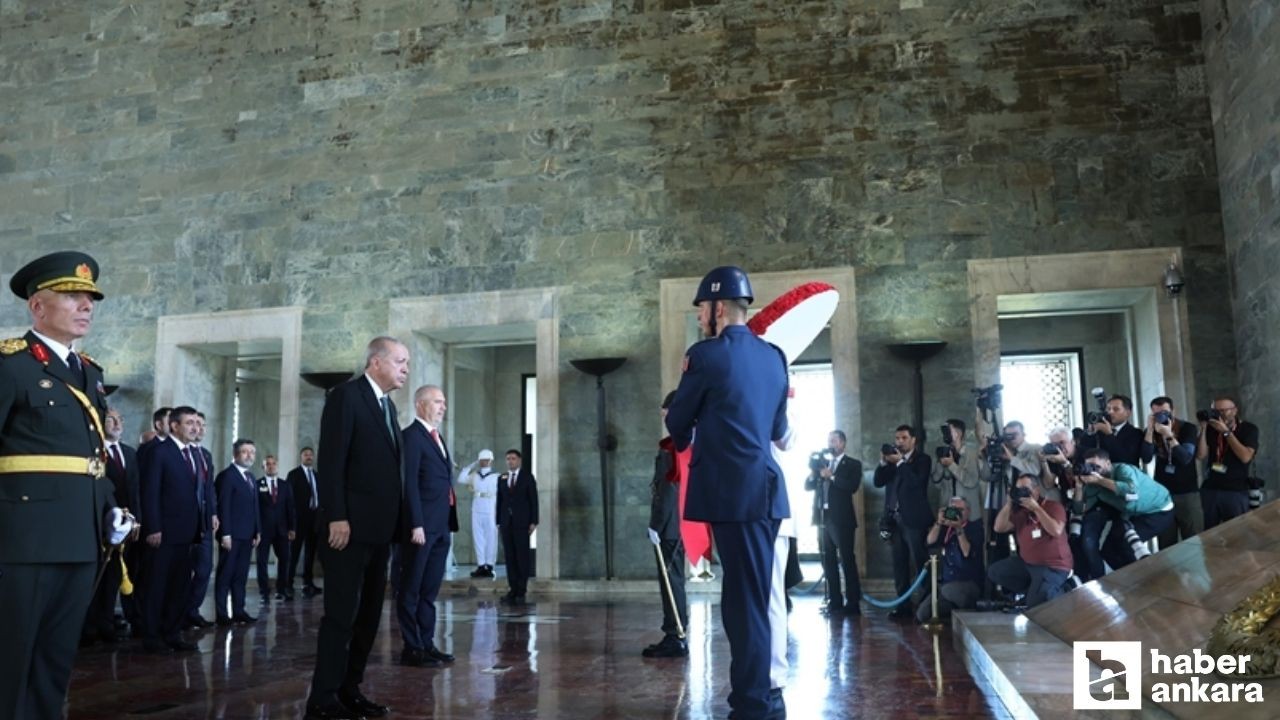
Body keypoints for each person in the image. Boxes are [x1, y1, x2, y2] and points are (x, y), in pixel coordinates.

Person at [665, 266, 790, 720]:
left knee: (744, 603)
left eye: (702, 308)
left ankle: (755, 703)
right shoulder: (774, 356)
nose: (700, 316)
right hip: (765, 491)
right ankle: (762, 696)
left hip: (735, 493)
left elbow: (677, 420)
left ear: (719, 307)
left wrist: (689, 434)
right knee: (752, 597)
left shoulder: (705, 356)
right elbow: (777, 428)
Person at [0, 251, 117, 719]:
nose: (86, 305)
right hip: (24, 540)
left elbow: (92, 459)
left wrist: (110, 509)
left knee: (54, 661)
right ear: (37, 306)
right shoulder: (11, 365)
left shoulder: (90, 372)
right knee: (11, 660)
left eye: (90, 298)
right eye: (72, 295)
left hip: (81, 538)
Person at [306, 337, 408, 720]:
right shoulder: (346, 397)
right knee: (341, 617)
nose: (405, 369)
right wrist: (337, 515)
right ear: (376, 362)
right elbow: (332, 461)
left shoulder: (388, 406)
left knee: (367, 618)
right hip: (347, 530)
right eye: (400, 361)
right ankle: (323, 699)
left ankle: (350, 690)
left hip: (380, 531)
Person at [139, 405, 209, 653]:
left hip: (187, 533)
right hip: (163, 533)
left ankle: (172, 633)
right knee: (157, 587)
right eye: (189, 423)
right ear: (174, 426)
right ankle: (151, 637)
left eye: (196, 423)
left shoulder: (195, 454)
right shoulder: (159, 452)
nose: (195, 427)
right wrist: (153, 527)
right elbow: (150, 492)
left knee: (179, 587)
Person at [396, 385, 457, 668]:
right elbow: (408, 484)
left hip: (441, 526)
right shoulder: (411, 437)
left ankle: (426, 644)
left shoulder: (436, 436)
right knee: (411, 589)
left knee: (429, 591)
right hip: (420, 529)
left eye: (443, 402)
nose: (443, 407)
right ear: (420, 404)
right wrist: (416, 523)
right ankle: (412, 648)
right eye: (437, 402)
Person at [84, 407, 141, 644]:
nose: (117, 424)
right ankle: (88, 627)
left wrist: (136, 520)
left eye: (120, 420)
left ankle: (106, 623)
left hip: (126, 527)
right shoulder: (93, 451)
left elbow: (136, 490)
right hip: (100, 524)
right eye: (111, 420)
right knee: (96, 576)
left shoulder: (129, 453)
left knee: (115, 576)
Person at [643, 391, 689, 658]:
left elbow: (667, 490)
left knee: (671, 581)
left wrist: (656, 524)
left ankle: (676, 635)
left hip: (670, 525)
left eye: (666, 410)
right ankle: (676, 632)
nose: (663, 414)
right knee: (674, 579)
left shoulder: (671, 447)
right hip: (680, 523)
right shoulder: (684, 442)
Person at [1079, 448, 1174, 573]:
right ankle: (1124, 579)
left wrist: (1100, 480)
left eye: (1096, 466)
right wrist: (1078, 486)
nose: (1093, 471)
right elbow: (1080, 509)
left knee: (1128, 546)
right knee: (1108, 550)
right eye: (1089, 467)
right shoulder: (1093, 483)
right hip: (1132, 514)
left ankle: (1147, 576)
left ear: (1108, 463)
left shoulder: (1123, 469)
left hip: (1158, 510)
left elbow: (1131, 491)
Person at [873, 424, 932, 619]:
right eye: (897, 438)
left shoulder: (923, 460)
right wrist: (883, 463)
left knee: (920, 562)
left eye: (904, 438)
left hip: (914, 520)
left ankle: (927, 606)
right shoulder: (892, 462)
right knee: (899, 564)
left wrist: (900, 463)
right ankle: (903, 606)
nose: (899, 442)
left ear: (913, 440)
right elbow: (878, 482)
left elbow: (916, 483)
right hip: (894, 520)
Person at [988, 473, 1073, 608]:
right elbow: (999, 528)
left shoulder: (1053, 507)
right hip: (1028, 565)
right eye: (1018, 489)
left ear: (1036, 490)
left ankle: (1065, 588)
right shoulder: (1020, 512)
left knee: (1035, 605)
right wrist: (1009, 503)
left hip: (1053, 566)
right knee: (995, 571)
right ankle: (1033, 592)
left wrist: (1036, 509)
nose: (1022, 493)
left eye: (1025, 489)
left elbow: (1056, 531)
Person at [1140, 397, 1201, 547]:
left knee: (1193, 539)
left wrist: (1169, 435)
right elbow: (1146, 458)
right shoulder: (1152, 431)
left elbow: (1185, 458)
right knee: (1166, 542)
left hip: (1187, 492)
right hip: (1163, 494)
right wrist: (1149, 430)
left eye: (1165, 412)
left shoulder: (1187, 428)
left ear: (1173, 411)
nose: (1161, 417)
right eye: (1157, 414)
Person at [815, 429, 862, 616]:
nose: (830, 444)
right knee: (828, 561)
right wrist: (814, 474)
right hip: (823, 518)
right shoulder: (823, 464)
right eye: (829, 440)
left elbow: (852, 486)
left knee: (847, 560)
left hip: (842, 520)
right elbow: (808, 486)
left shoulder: (853, 464)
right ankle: (835, 601)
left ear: (842, 443)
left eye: (834, 440)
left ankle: (853, 603)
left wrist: (832, 476)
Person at [214, 439, 261, 624]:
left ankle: (239, 611)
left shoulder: (251, 477)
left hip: (247, 535)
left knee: (241, 576)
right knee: (225, 575)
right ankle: (222, 615)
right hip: (231, 536)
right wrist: (225, 534)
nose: (249, 455)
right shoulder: (226, 476)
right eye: (245, 452)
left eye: (252, 452)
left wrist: (257, 531)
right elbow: (223, 506)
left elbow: (255, 507)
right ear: (235, 454)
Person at [916, 497, 984, 623]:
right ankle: (953, 615)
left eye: (960, 510)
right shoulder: (946, 530)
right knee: (922, 614)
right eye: (953, 510)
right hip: (946, 585)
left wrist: (959, 528)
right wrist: (939, 522)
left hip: (968, 583)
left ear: (968, 511)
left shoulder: (975, 528)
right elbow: (929, 542)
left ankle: (963, 611)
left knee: (949, 591)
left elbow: (967, 553)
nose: (957, 513)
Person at [1197, 396, 1260, 529]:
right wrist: (1203, 429)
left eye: (1223, 411)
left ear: (1234, 411)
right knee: (1209, 533)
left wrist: (1226, 432)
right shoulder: (1211, 428)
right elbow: (1201, 455)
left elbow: (1245, 457)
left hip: (1235, 490)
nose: (1219, 415)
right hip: (1211, 489)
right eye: (1215, 411)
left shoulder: (1248, 429)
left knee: (1237, 532)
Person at [496, 449, 538, 605]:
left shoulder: (527, 477)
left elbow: (533, 500)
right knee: (510, 557)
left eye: (513, 458)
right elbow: (500, 501)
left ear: (519, 460)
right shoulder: (502, 478)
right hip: (506, 523)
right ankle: (512, 589)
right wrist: (498, 521)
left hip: (522, 523)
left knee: (522, 556)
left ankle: (521, 590)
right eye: (508, 459)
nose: (510, 461)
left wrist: (533, 521)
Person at [256, 455, 296, 602]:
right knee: (262, 561)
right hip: (263, 531)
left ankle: (281, 590)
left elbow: (290, 508)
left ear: (277, 466)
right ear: (263, 467)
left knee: (285, 559)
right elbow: (254, 509)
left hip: (282, 530)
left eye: (273, 464)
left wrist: (292, 528)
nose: (271, 466)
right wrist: (256, 530)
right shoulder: (257, 484)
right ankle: (264, 592)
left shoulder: (285, 485)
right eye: (268, 464)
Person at [287, 446, 323, 597]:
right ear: (301, 457)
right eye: (305, 454)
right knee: (293, 553)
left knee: (310, 553)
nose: (308, 457)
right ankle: (288, 584)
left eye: (310, 455)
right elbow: (288, 499)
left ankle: (308, 584)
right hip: (298, 520)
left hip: (314, 520)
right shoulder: (294, 474)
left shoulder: (317, 475)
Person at [458, 449, 499, 578]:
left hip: (491, 509)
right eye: (481, 460)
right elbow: (461, 479)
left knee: (491, 538)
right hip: (477, 509)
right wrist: (471, 465)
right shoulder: (475, 475)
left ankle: (490, 565)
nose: (483, 462)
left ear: (491, 461)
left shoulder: (496, 476)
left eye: (486, 460)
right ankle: (481, 565)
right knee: (478, 538)